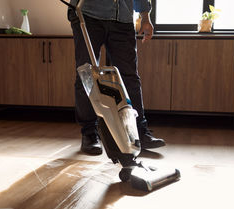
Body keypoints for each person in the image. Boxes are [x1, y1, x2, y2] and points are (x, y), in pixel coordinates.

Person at [67, 0, 166, 155]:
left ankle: (139, 131)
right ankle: (89, 133)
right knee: (87, 75)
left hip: (123, 19)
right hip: (88, 15)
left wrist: (145, 18)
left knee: (130, 77)